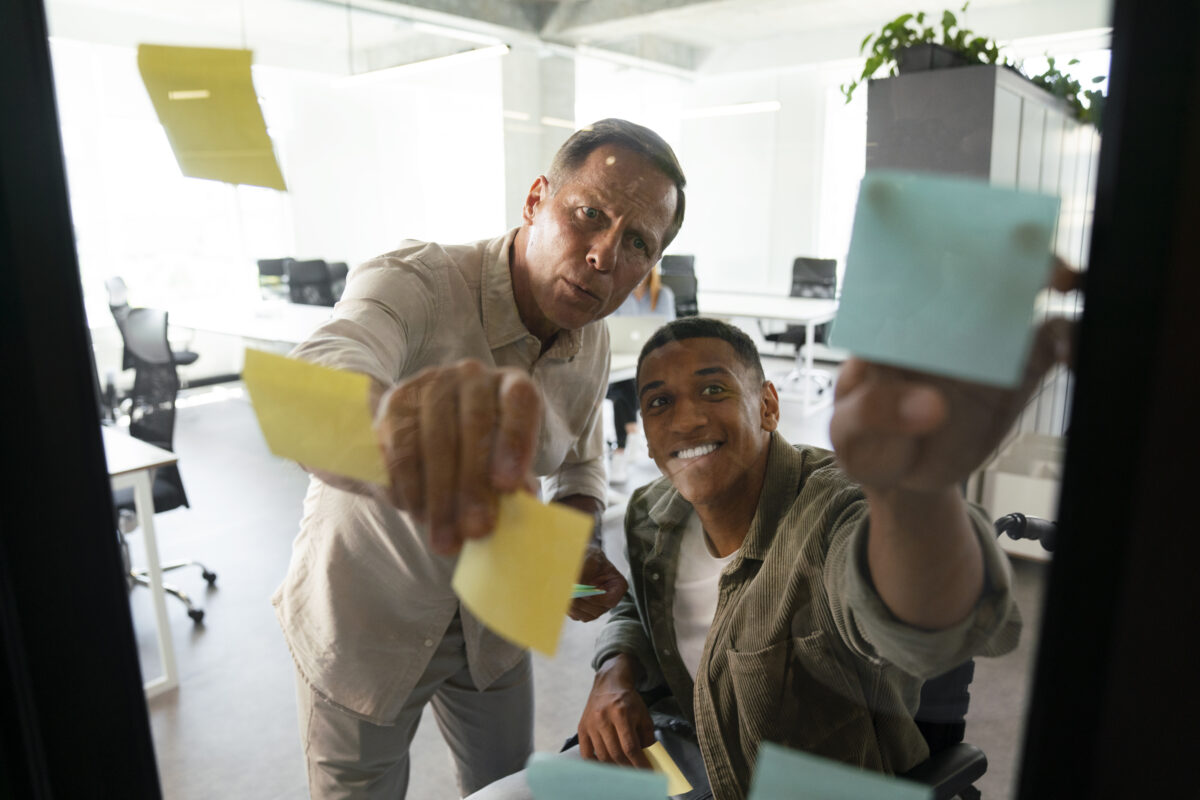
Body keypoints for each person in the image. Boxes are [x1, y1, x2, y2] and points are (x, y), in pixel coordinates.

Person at [469, 313, 1071, 800]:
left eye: (714, 389)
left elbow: (900, 607)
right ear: (645, 437)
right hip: (685, 753)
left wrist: (912, 495)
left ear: (768, 406)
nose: (688, 418)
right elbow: (647, 613)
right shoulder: (654, 513)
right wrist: (613, 669)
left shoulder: (831, 508)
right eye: (659, 403)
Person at [272, 118, 687, 799]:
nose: (604, 256)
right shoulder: (415, 283)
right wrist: (400, 434)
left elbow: (582, 463)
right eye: (589, 215)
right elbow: (320, 377)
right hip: (368, 618)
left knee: (503, 788)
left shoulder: (593, 337)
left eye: (637, 242)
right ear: (536, 201)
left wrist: (574, 546)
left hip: (493, 624)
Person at [606, 264, 675, 483]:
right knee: (621, 384)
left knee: (625, 384)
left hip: (653, 360)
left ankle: (620, 451)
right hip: (622, 357)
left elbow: (669, 331)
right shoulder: (618, 295)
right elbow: (611, 329)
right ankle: (632, 430)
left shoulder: (663, 295)